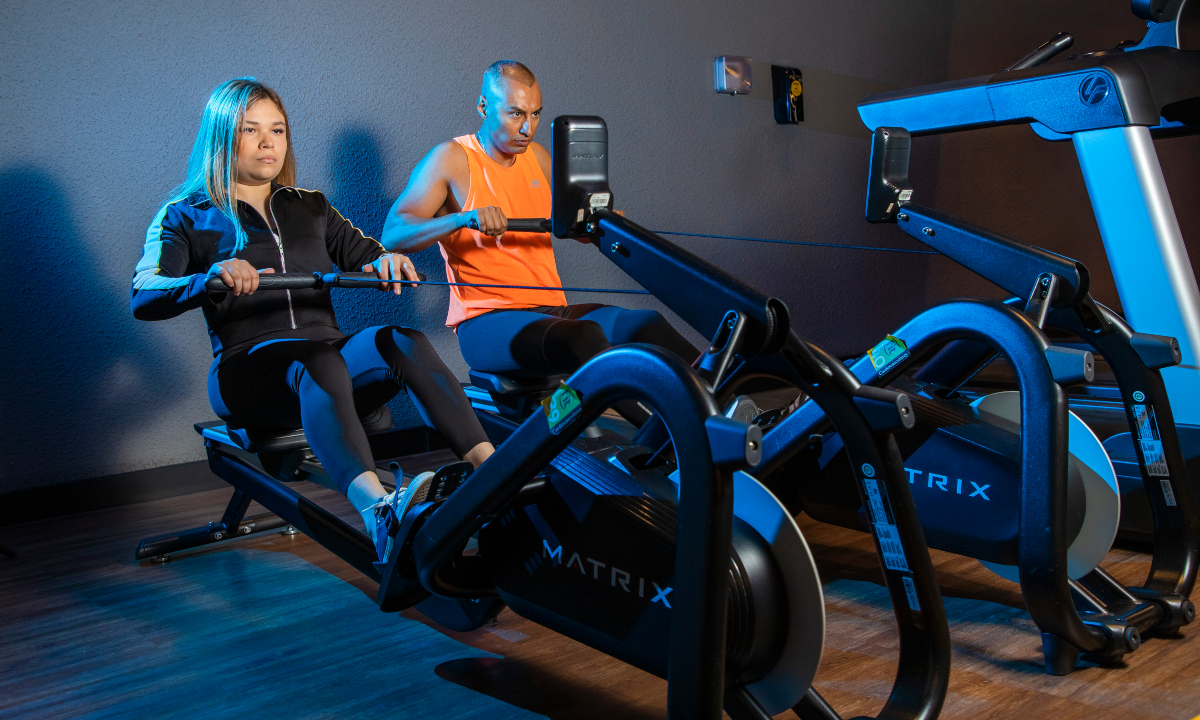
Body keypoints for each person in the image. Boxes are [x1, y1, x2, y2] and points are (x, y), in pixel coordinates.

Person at [131, 77, 495, 564]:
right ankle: (380, 514)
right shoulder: (185, 215)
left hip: (327, 363)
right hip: (249, 374)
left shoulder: (312, 206)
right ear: (221, 137)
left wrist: (386, 261)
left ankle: (494, 479)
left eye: (277, 130)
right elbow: (145, 292)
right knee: (320, 359)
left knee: (399, 340)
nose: (268, 143)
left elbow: (369, 254)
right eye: (250, 130)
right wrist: (211, 278)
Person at [380, 61, 698, 425]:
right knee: (584, 337)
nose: (528, 128)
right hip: (487, 323)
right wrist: (463, 218)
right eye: (515, 114)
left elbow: (573, 229)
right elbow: (394, 232)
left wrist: (602, 225)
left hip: (550, 310)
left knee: (641, 324)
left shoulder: (539, 159)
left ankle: (724, 409)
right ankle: (672, 436)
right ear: (484, 107)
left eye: (535, 114)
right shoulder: (453, 159)